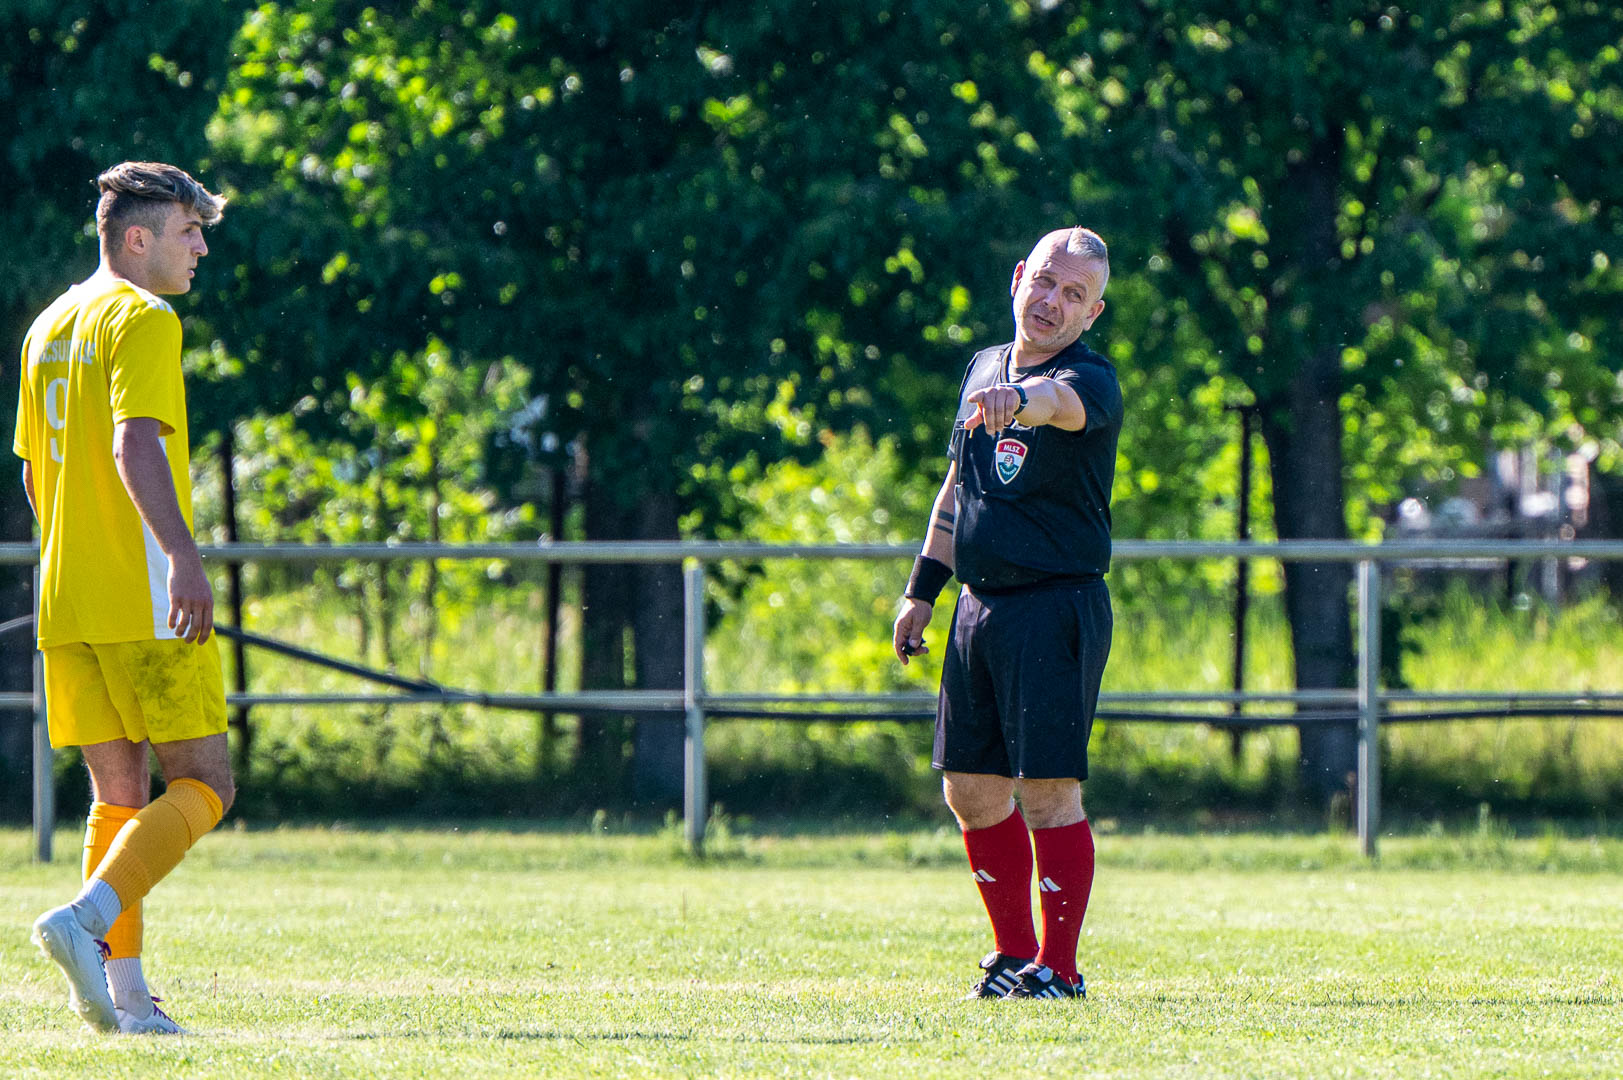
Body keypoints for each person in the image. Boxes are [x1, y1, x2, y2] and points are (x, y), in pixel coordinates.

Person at [18, 161, 231, 1035]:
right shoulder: (143, 316)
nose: (201, 248)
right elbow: (132, 443)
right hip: (141, 595)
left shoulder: (48, 325)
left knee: (119, 794)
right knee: (206, 783)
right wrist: (181, 555)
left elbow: (33, 476)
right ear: (137, 238)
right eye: (189, 231)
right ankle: (86, 921)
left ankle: (126, 1001)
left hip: (65, 599)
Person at [893, 227, 1122, 1001]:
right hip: (978, 606)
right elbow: (956, 489)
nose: (1052, 301)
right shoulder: (982, 366)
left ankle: (1060, 969)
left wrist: (1020, 401)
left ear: (1091, 313)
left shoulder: (1088, 378)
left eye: (1073, 294)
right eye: (1045, 282)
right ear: (1020, 276)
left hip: (1055, 605)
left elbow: (1057, 405)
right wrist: (921, 591)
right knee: (969, 789)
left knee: (1046, 789)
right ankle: (1013, 956)